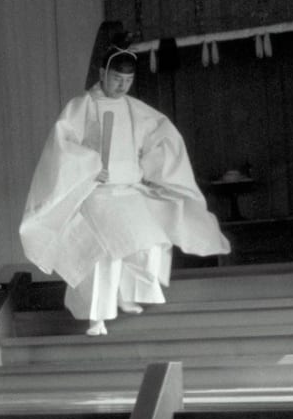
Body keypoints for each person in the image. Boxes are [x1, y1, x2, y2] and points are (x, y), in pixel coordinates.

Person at [18, 41, 229, 335]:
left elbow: (160, 137)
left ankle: (129, 295)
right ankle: (97, 317)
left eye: (128, 80)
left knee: (152, 242)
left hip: (129, 191)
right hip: (98, 195)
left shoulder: (134, 108)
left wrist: (148, 169)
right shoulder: (82, 106)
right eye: (117, 78)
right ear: (103, 73)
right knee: (104, 255)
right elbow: (62, 146)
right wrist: (90, 166)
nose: (122, 85)